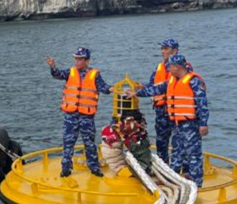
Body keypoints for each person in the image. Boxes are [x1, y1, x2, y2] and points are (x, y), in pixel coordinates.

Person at [127, 54, 209, 187]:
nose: (168, 69)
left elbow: (202, 104)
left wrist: (203, 124)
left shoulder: (193, 82)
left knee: (193, 155)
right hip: (176, 124)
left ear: (177, 67)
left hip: (190, 125)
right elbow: (156, 89)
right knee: (176, 153)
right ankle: (173, 181)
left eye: (170, 67)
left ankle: (197, 184)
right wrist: (136, 93)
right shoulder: (171, 81)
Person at [46, 47, 112, 177]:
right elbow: (57, 74)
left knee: (89, 142)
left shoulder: (95, 75)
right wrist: (53, 67)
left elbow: (103, 87)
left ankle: (94, 167)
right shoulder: (70, 72)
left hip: (86, 116)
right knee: (68, 142)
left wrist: (111, 88)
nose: (77, 61)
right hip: (71, 115)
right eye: (76, 58)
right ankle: (66, 168)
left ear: (86, 60)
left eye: (80, 59)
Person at [141, 38, 192, 164]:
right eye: (162, 49)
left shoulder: (185, 68)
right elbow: (152, 84)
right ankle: (163, 167)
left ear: (175, 51)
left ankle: (184, 170)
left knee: (179, 142)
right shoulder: (159, 67)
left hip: (176, 111)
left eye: (166, 49)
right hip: (161, 111)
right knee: (161, 142)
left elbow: (166, 86)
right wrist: (141, 87)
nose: (163, 51)